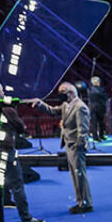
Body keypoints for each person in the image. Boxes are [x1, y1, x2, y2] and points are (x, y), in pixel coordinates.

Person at [0, 81, 44, 222]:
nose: (3, 93)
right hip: (4, 151)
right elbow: (20, 128)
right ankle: (26, 218)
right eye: (1, 90)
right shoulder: (6, 110)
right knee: (17, 185)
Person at [29, 83, 93, 214]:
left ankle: (86, 203)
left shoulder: (80, 107)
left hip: (76, 146)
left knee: (79, 175)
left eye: (62, 92)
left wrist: (78, 145)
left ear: (70, 92)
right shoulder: (66, 105)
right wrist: (40, 104)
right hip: (69, 144)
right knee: (75, 175)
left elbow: (83, 130)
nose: (60, 95)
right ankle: (80, 201)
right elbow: (52, 111)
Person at [88, 76, 108, 141]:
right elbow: (105, 97)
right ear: (97, 82)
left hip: (92, 107)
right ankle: (101, 136)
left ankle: (95, 137)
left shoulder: (89, 90)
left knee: (94, 123)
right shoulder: (101, 89)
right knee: (101, 122)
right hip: (100, 107)